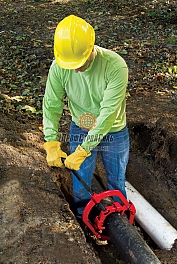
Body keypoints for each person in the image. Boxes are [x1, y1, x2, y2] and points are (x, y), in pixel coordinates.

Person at [43, 15, 130, 219]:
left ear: (91, 47)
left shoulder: (115, 66)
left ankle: (123, 220)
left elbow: (108, 114)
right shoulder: (59, 67)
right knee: (81, 179)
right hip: (81, 127)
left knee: (116, 179)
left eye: (78, 63)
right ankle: (84, 219)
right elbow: (52, 104)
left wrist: (84, 149)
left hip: (113, 129)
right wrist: (51, 141)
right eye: (69, 64)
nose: (74, 68)